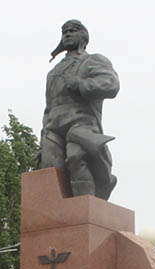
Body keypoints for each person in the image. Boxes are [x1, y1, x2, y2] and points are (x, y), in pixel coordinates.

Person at [39, 19, 120, 200]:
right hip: (53, 127)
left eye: (73, 31)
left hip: (80, 123)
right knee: (49, 170)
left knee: (76, 158)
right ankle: (59, 219)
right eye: (65, 32)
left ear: (83, 36)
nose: (67, 34)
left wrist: (82, 84)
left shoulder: (93, 60)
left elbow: (111, 84)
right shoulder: (53, 72)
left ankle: (86, 209)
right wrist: (42, 136)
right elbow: (48, 107)